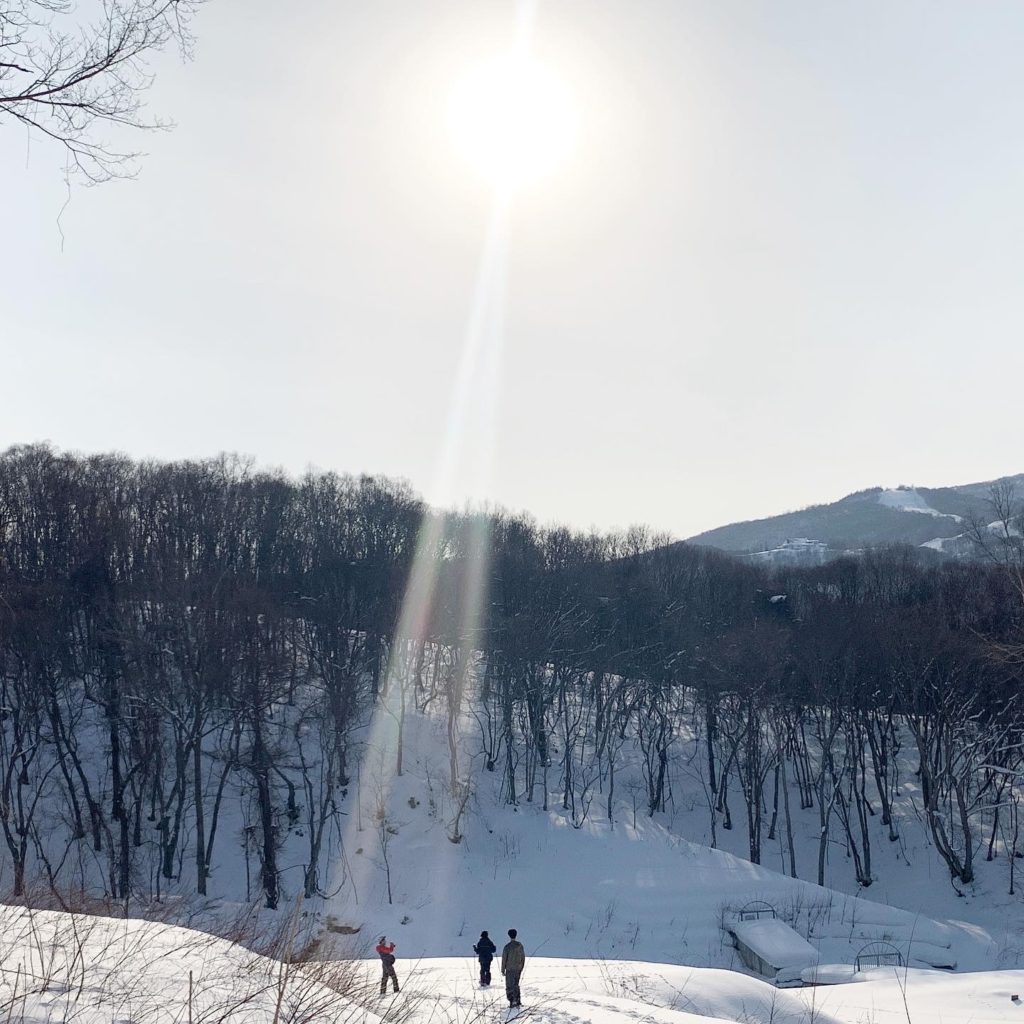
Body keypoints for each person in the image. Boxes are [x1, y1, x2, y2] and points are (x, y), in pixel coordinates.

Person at [500, 928, 525, 1009]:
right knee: (516, 985)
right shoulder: (520, 946)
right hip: (518, 968)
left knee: (510, 985)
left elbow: (504, 959)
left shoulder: (507, 947)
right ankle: (517, 1000)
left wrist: (502, 969)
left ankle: (512, 1001)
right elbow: (523, 957)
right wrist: (521, 967)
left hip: (510, 969)